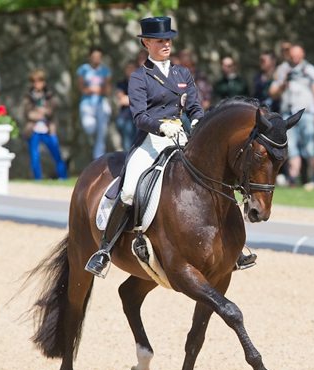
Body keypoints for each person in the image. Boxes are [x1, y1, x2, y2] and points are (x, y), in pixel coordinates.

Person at [85, 16, 257, 277]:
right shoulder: (139, 77)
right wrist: (161, 126)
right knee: (130, 189)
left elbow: (195, 106)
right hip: (151, 139)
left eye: (168, 40)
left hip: (183, 136)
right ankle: (105, 250)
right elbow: (139, 116)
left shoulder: (181, 73)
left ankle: (235, 247)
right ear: (146, 43)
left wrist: (198, 119)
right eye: (159, 40)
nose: (165, 44)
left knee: (217, 179)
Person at [269, 44, 314, 188]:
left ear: (303, 54)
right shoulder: (283, 69)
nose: (294, 57)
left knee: (310, 148)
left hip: (307, 114)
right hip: (288, 114)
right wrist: (283, 84)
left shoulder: (310, 70)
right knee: (291, 148)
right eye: (292, 55)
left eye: (297, 54)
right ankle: (293, 180)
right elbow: (272, 92)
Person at [22, 69, 67, 180]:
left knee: (56, 154)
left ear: (44, 82)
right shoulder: (28, 96)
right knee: (35, 156)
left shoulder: (49, 95)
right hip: (33, 129)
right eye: (34, 81)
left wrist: (39, 111)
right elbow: (28, 113)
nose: (37, 83)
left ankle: (63, 176)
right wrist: (41, 112)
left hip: (48, 128)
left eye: (39, 80)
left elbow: (51, 111)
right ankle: (38, 178)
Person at [77, 46, 112, 160]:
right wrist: (92, 90)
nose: (96, 59)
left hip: (101, 104)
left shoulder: (105, 70)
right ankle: (91, 143)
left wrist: (95, 90)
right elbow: (81, 88)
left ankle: (98, 159)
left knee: (102, 133)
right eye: (94, 56)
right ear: (89, 57)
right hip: (87, 103)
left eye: (98, 57)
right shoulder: (83, 69)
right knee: (90, 127)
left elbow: (107, 90)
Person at [115, 60, 139, 152]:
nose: (130, 71)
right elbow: (121, 99)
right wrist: (136, 99)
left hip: (138, 116)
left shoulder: (142, 83)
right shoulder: (121, 84)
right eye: (128, 69)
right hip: (125, 116)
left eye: (132, 68)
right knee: (127, 139)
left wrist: (128, 99)